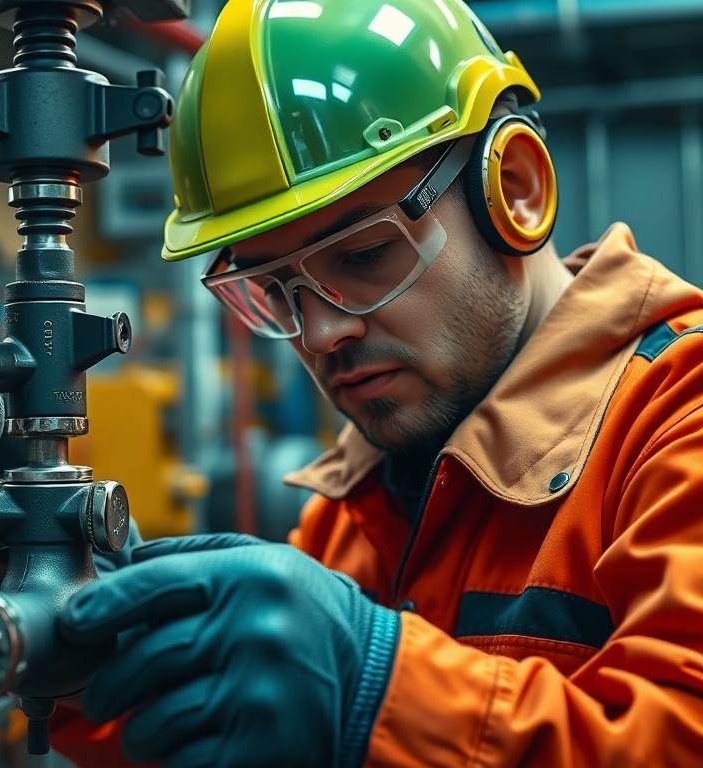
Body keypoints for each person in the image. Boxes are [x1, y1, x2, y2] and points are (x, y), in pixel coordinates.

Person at [54, 0, 703, 764]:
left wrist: (375, 686)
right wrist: (77, 643)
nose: (322, 333)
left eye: (364, 257)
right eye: (274, 290)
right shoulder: (358, 509)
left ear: (516, 189)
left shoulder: (675, 422)